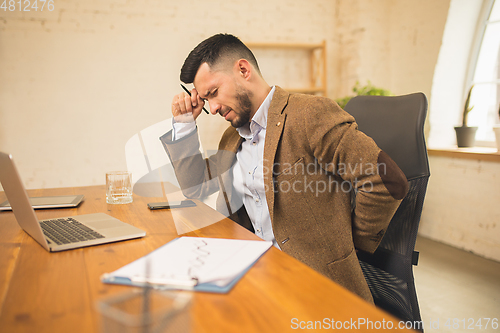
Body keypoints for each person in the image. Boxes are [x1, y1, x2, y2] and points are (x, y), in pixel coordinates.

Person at [160, 33, 408, 302]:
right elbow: (196, 186)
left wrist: (351, 244)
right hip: (256, 277)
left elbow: (387, 180)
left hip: (315, 289)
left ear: (243, 70)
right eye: (206, 100)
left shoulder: (309, 114)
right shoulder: (232, 137)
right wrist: (184, 124)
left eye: (214, 93)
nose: (214, 107)